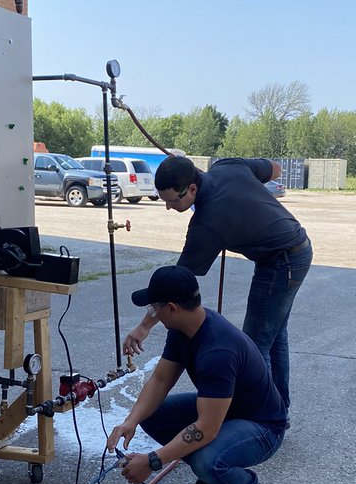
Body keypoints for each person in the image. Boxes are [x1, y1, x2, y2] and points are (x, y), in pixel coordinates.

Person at [123, 156, 312, 413]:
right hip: (291, 250)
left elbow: (174, 285)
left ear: (191, 189)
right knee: (274, 335)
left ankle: (263, 420)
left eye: (172, 201)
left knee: (256, 346)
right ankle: (279, 410)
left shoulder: (206, 224)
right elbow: (274, 169)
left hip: (283, 262)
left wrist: (144, 326)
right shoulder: (228, 167)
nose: (168, 207)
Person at [108, 265, 287, 484]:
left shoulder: (218, 351)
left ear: (172, 308)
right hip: (226, 412)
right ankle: (213, 481)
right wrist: (130, 421)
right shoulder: (184, 329)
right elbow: (160, 380)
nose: (153, 314)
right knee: (153, 416)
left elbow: (206, 428)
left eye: (155, 307)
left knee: (207, 460)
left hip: (262, 427)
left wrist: (152, 461)